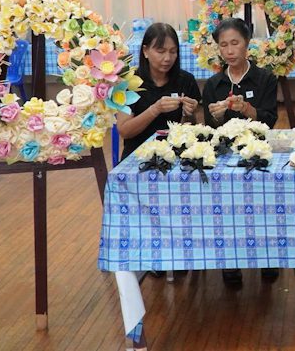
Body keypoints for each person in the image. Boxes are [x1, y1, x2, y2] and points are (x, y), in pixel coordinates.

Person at [201, 17, 279, 285]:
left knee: (263, 205)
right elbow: (209, 129)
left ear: (247, 43)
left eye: (235, 43)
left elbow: (270, 120)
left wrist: (247, 109)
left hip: (259, 152)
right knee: (227, 207)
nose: (230, 50)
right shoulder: (214, 84)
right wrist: (217, 115)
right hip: (226, 156)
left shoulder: (265, 78)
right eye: (224, 45)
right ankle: (231, 261)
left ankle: (267, 257)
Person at [117, 22, 202, 159]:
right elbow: (125, 131)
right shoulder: (130, 82)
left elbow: (192, 129)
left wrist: (189, 114)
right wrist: (155, 109)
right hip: (138, 155)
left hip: (174, 154)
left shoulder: (186, 80)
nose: (167, 58)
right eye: (161, 51)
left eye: (173, 52)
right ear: (145, 51)